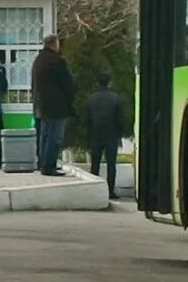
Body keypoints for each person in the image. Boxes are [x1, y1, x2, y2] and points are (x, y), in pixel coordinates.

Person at [30, 33, 75, 176]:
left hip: (41, 105)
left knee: (44, 136)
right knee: (54, 137)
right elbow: (67, 84)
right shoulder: (57, 61)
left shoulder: (38, 60)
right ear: (55, 44)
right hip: (56, 106)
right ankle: (49, 167)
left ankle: (42, 164)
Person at [84, 73, 130, 172]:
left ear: (98, 83)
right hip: (111, 135)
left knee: (95, 163)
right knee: (111, 164)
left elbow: (87, 119)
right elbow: (120, 119)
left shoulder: (91, 98)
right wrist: (119, 134)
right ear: (109, 83)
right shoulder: (115, 98)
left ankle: (95, 184)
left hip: (96, 134)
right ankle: (110, 186)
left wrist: (89, 135)